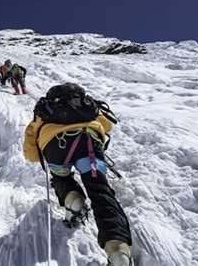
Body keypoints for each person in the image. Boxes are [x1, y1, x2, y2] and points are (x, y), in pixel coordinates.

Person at [23, 83, 132, 266]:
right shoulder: (86, 105)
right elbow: (108, 126)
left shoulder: (43, 112)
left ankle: (72, 199)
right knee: (99, 189)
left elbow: (31, 154)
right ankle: (117, 250)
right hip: (88, 142)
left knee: (61, 177)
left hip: (56, 147)